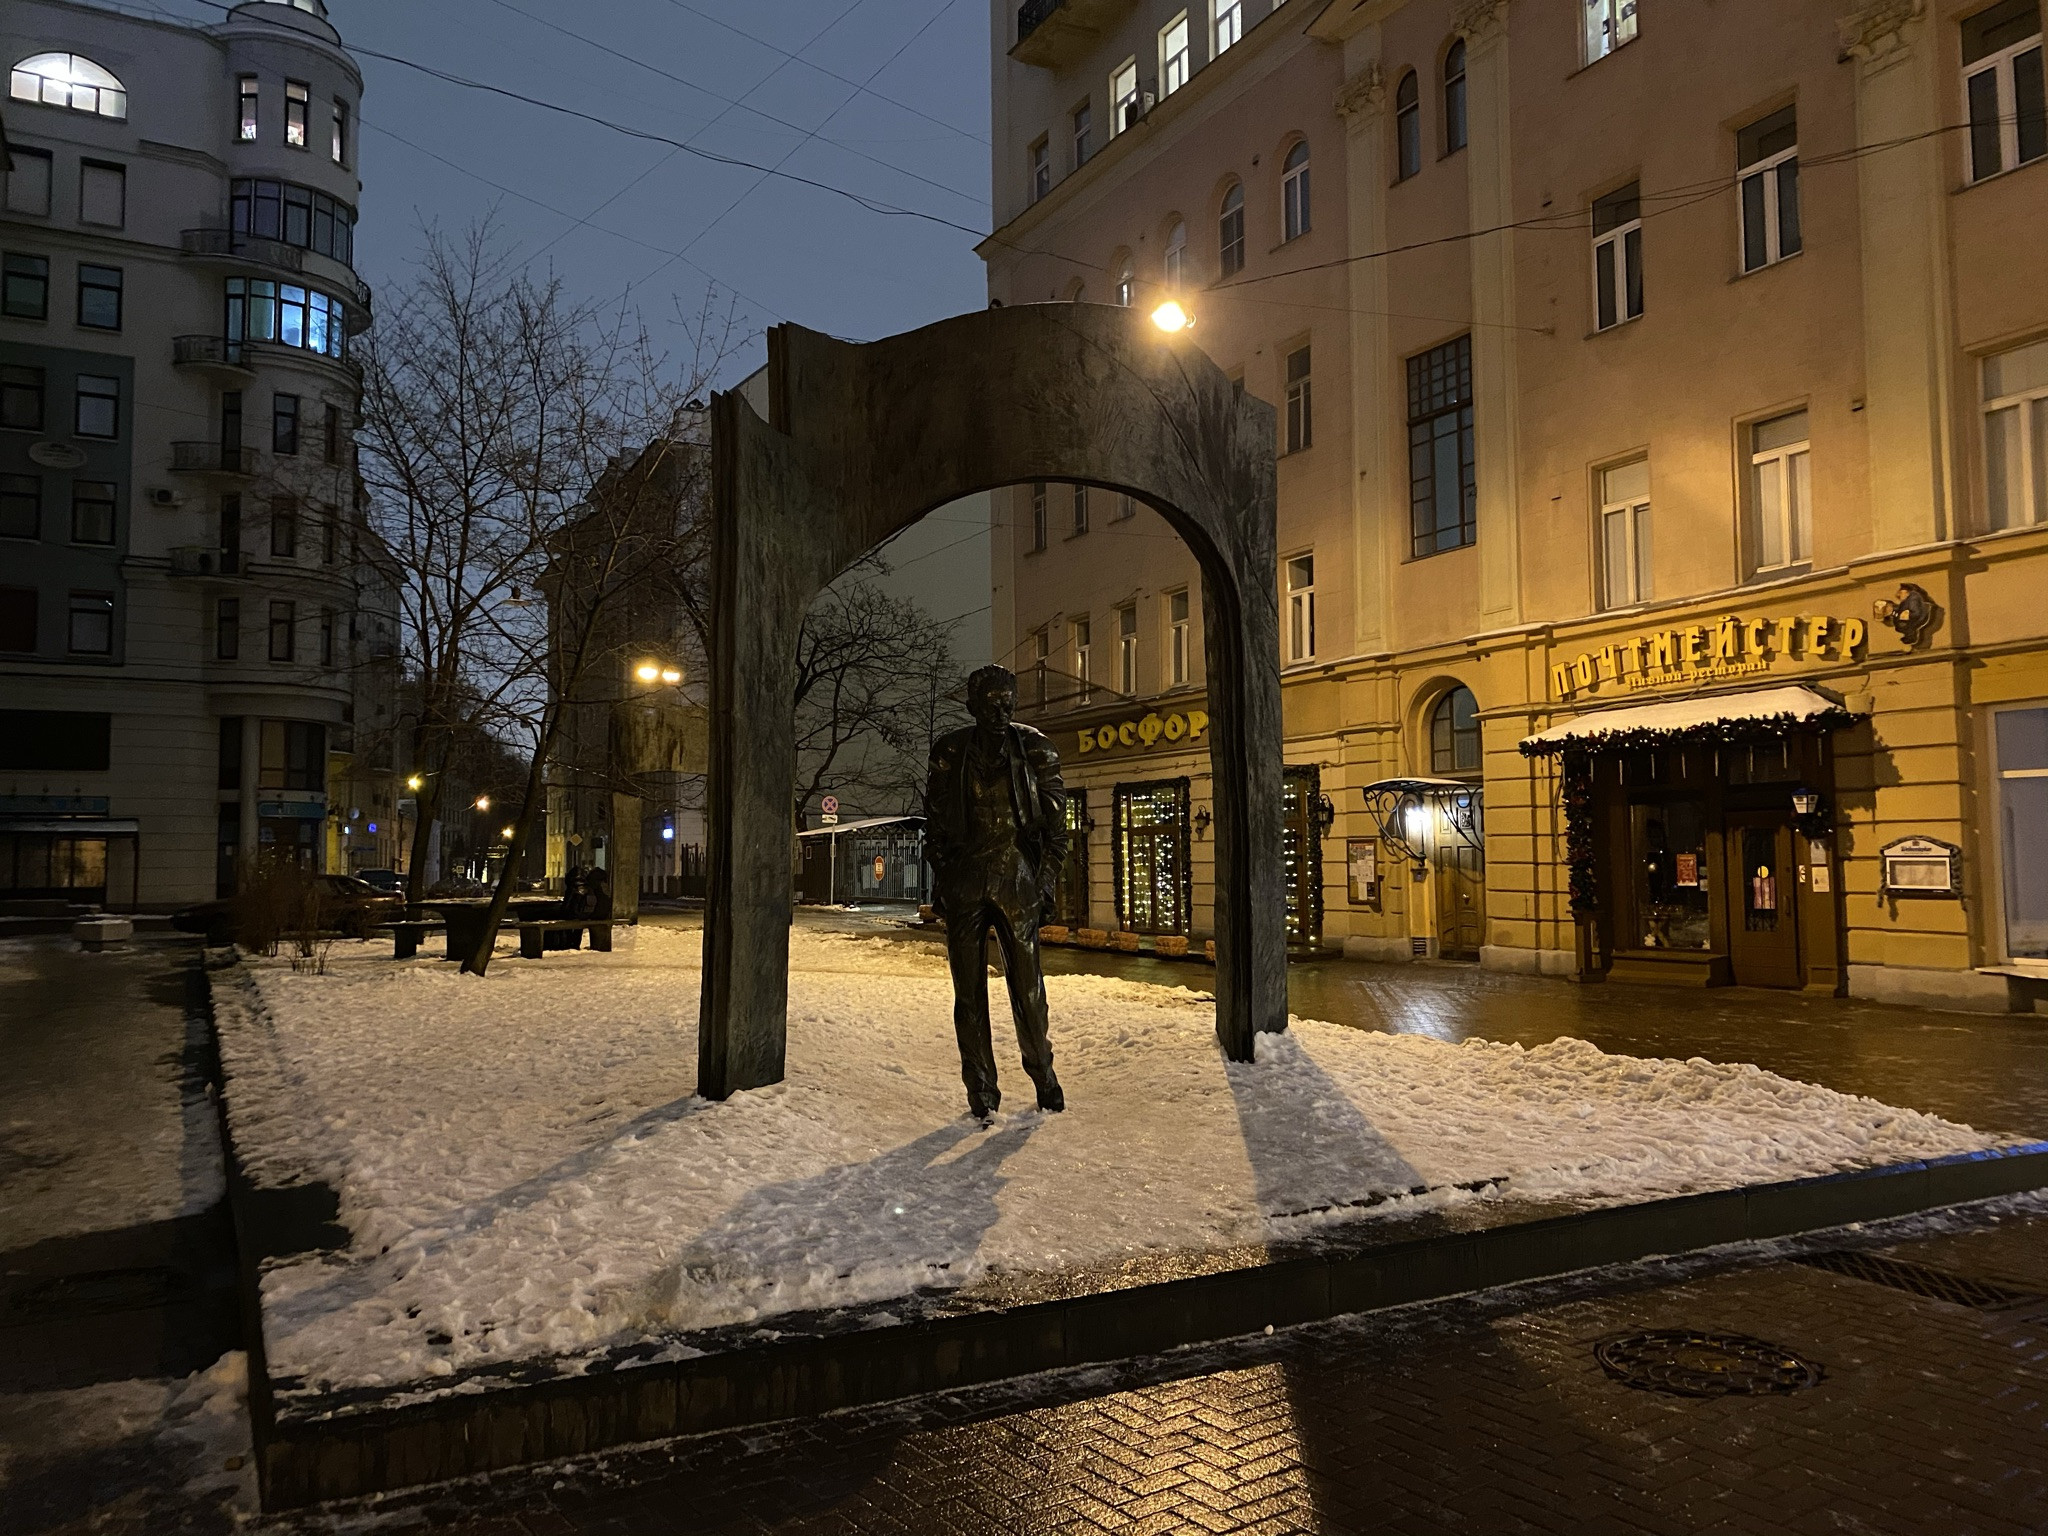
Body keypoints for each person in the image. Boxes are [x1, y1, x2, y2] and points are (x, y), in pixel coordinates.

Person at [924, 664, 1070, 1119]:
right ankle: (981, 1092)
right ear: (972, 706)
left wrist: (1044, 886)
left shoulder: (1036, 750)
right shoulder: (949, 750)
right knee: (968, 997)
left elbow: (1057, 833)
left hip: (1016, 880)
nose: (1001, 711)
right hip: (966, 882)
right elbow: (936, 826)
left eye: (1008, 703)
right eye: (991, 704)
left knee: (1028, 993)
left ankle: (1042, 1071)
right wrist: (944, 880)